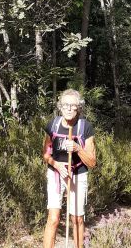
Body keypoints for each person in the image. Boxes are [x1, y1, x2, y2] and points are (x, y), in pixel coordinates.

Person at [42, 89, 96, 248]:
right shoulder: (53, 125)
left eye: (73, 105)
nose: (69, 108)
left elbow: (92, 162)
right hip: (56, 174)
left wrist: (78, 148)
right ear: (60, 106)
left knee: (77, 218)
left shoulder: (85, 127)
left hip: (78, 174)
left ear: (79, 107)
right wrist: (56, 165)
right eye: (66, 105)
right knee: (53, 218)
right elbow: (45, 154)